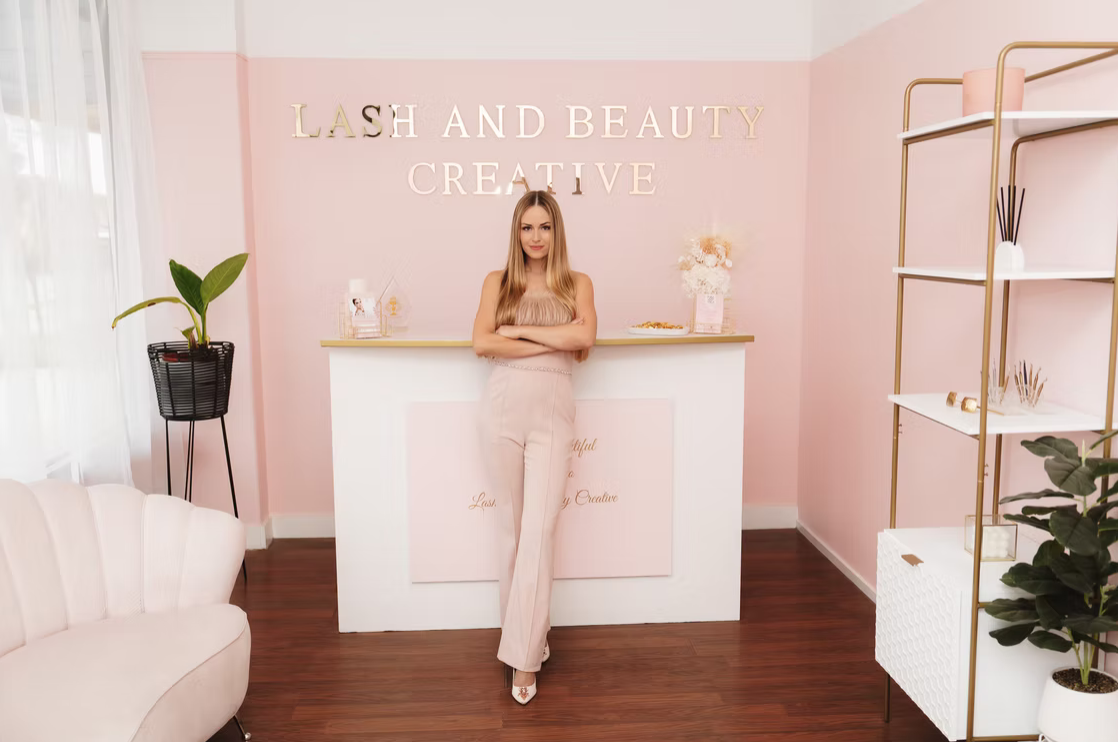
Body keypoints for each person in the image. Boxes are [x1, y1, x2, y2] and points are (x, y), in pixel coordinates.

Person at [471, 189, 597, 704]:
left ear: (556, 231)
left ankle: (524, 658)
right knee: (511, 530)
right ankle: (524, 637)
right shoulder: (497, 281)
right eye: (527, 227)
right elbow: (482, 342)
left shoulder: (577, 283)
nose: (536, 236)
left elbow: (584, 340)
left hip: (553, 412)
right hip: (502, 406)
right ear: (516, 231)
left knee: (540, 531)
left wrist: (518, 329)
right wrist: (556, 335)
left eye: (545, 227)